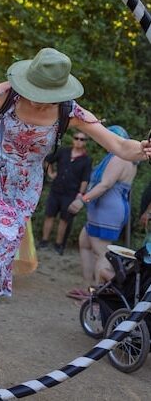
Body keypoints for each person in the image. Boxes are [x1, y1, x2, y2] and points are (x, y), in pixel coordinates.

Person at [0, 47, 151, 367]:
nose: (37, 101)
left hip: (22, 190)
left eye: (45, 97)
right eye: (33, 92)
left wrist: (143, 149)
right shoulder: (4, 94)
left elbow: (120, 145)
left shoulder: (70, 112)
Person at [66, 125, 138, 296]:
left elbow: (105, 184)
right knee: (85, 242)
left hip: (107, 211)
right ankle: (89, 288)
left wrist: (82, 200)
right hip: (105, 209)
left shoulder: (120, 157)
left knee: (102, 253)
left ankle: (104, 294)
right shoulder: (125, 157)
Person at [38, 131, 92, 254]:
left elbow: (85, 179)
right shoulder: (63, 152)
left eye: (82, 139)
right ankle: (44, 241)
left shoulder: (86, 160)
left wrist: (80, 194)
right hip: (56, 189)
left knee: (65, 219)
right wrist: (50, 173)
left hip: (71, 193)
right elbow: (47, 160)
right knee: (49, 215)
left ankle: (58, 244)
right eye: (76, 138)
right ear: (73, 139)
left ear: (85, 142)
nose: (78, 141)